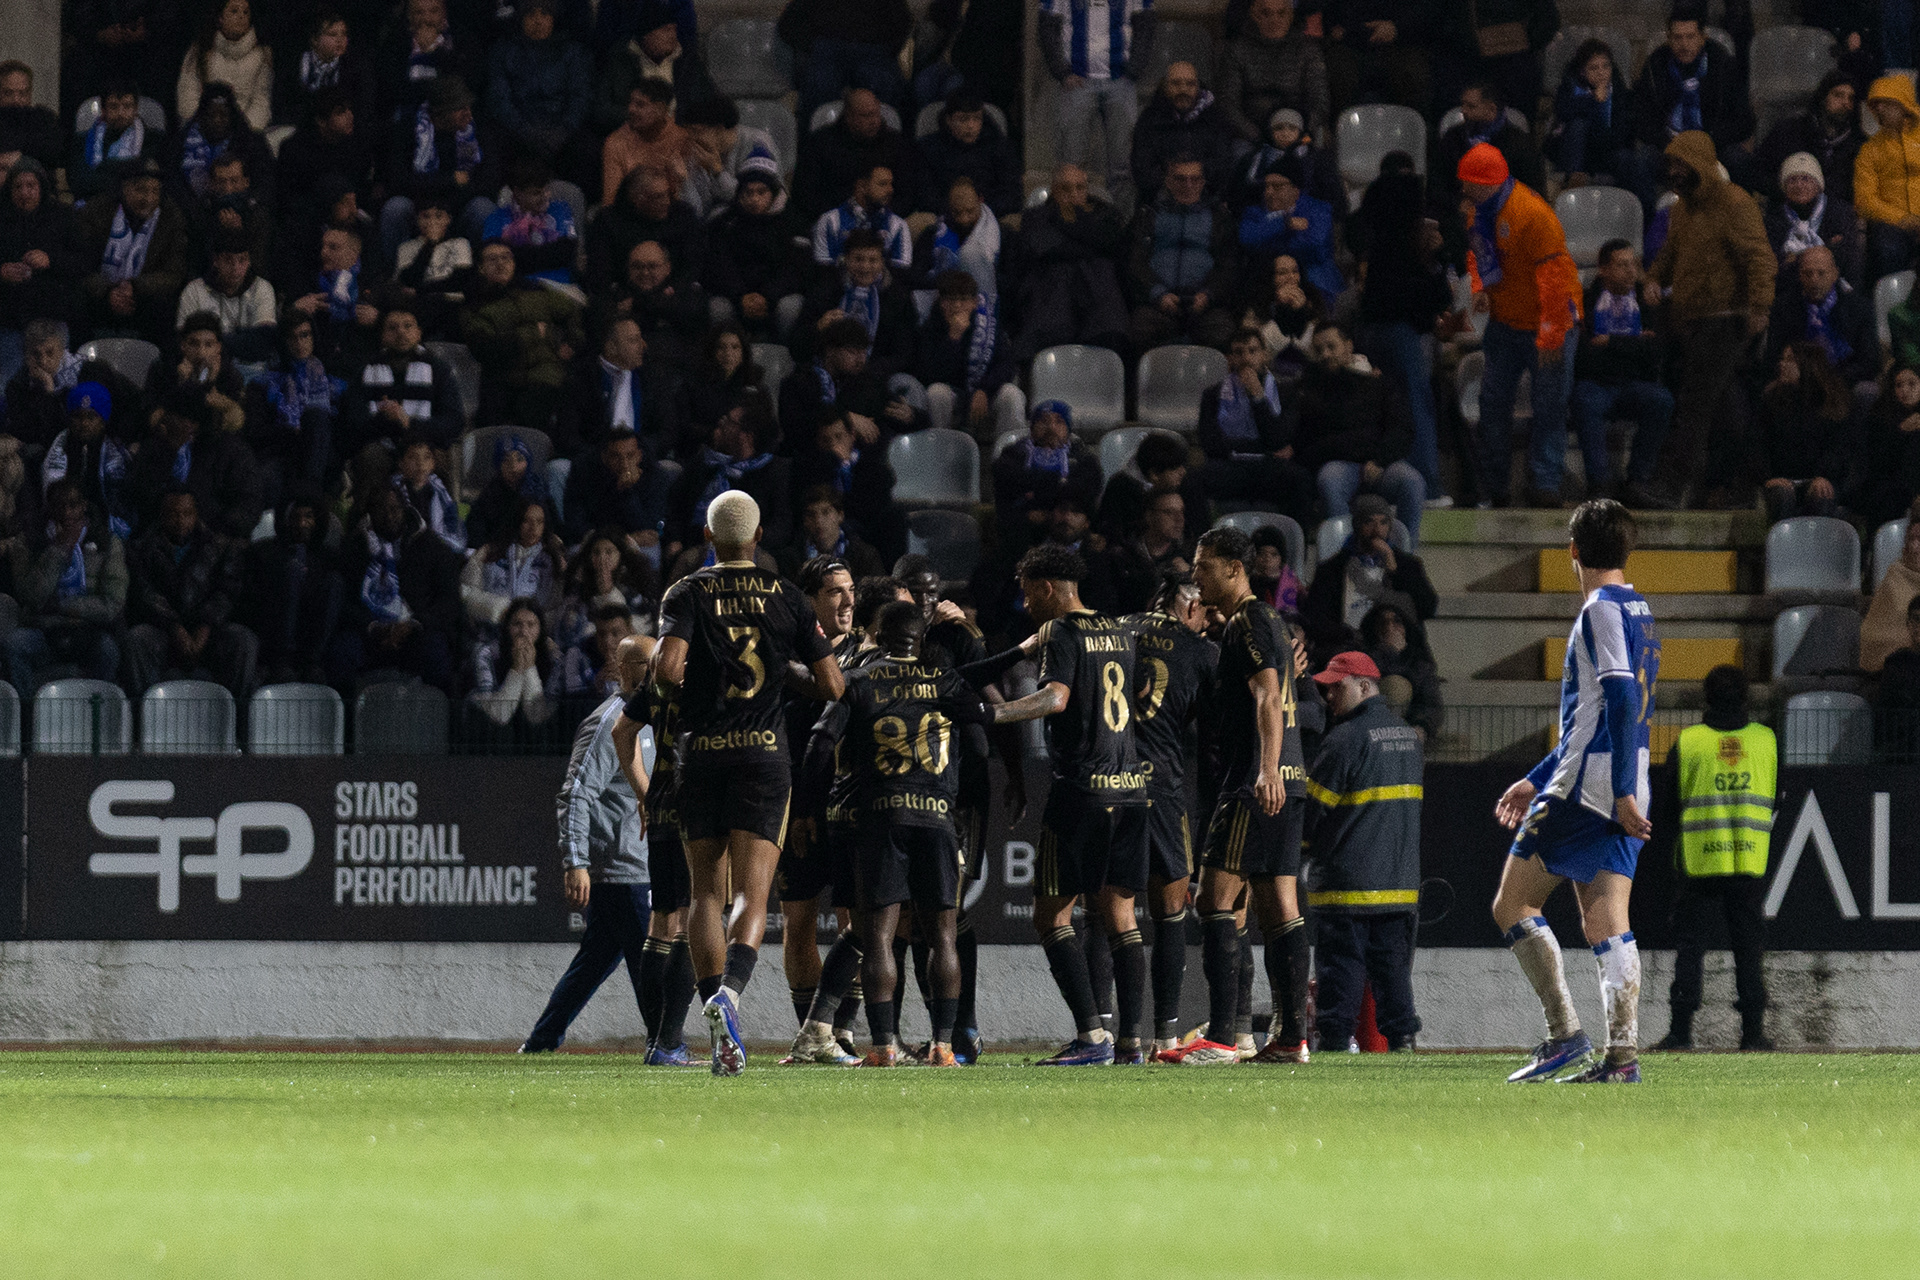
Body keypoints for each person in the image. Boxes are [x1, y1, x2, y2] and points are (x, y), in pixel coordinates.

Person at [651, 490, 844, 1075]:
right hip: (763, 756)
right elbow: (832, 684)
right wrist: (781, 675)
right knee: (751, 897)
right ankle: (728, 997)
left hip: (701, 756)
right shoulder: (786, 596)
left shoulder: (686, 591)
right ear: (758, 538)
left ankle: (716, 1024)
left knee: (704, 894)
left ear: (708, 538)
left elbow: (666, 670)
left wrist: (688, 684)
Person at [816, 600, 1033, 1065]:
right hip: (936, 819)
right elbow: (986, 719)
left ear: (880, 637)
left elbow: (821, 742)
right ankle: (942, 1045)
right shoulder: (945, 681)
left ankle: (883, 1046)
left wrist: (816, 805)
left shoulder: (860, 680)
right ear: (921, 640)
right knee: (943, 936)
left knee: (878, 936)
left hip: (880, 819)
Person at [1491, 499, 1659, 1084]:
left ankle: (1564, 1035)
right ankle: (1622, 1059)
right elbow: (1597, 716)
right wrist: (1536, 777)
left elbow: (1620, 700)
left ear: (1573, 551)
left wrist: (1616, 792)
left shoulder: (1599, 609)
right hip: (1626, 776)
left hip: (1591, 787)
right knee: (1607, 921)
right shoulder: (1640, 608)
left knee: (1512, 905)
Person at [986, 543, 1150, 1065]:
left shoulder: (1061, 631)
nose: (1026, 604)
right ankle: (1132, 1041)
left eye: (1028, 594)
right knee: (1121, 917)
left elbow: (1055, 698)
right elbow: (1139, 692)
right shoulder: (1120, 630)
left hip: (1082, 791)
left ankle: (1092, 1036)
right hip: (1131, 789)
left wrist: (996, 714)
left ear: (1047, 588)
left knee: (1051, 916)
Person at [1158, 525, 1312, 1065]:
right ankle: (1290, 1038)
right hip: (1289, 779)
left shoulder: (1248, 620)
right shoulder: (1266, 622)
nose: (1196, 575)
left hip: (1255, 782)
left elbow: (1267, 695)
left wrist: (1264, 771)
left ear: (1233, 568)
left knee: (1214, 900)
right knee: (1279, 905)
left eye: (1204, 565)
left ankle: (1224, 1037)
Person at [520, 634, 657, 1053]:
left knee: (593, 963)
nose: (663, 670)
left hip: (635, 864)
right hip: (621, 868)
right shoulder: (607, 724)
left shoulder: (653, 718)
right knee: (651, 960)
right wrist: (576, 861)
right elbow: (575, 795)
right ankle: (665, 1043)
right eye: (652, 664)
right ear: (627, 670)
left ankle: (541, 1041)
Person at [1635, 130, 1778, 510]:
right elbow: (1670, 253)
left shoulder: (1735, 203)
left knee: (1695, 406)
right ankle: (1749, 483)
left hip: (1725, 319)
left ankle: (1671, 486)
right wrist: (1653, 278)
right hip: (1695, 319)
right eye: (1671, 164)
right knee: (1727, 410)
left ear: (1700, 163)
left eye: (1681, 163)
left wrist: (1760, 307)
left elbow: (1759, 257)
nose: (1674, 171)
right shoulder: (1683, 208)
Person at [1652, 664, 1775, 1053]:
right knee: (1749, 949)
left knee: (1690, 949)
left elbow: (1667, 805)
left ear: (1706, 697)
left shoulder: (1689, 742)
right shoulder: (1766, 740)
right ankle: (1753, 1034)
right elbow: (1777, 797)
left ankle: (1680, 1033)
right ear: (1746, 697)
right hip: (1748, 862)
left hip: (1699, 863)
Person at [1304, 650, 1423, 1052]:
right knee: (1393, 974)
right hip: (1398, 885)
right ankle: (1403, 1043)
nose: (1328, 697)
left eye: (1336, 688)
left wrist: (1301, 853)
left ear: (1364, 686)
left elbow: (1313, 813)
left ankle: (1335, 1047)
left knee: (1340, 974)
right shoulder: (1408, 738)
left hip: (1345, 886)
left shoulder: (1344, 740)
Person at [1120, 573, 1217, 1056]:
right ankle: (1166, 1034)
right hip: (1161, 786)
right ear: (1190, 607)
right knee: (1170, 913)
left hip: (1110, 783)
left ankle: (1113, 1036)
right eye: (1205, 612)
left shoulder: (1116, 630)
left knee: (1110, 912)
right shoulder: (1200, 650)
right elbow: (1212, 721)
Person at [1459, 142, 1582, 509]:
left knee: (1549, 405)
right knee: (1492, 402)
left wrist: (1552, 337)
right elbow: (1477, 253)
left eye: (1467, 181)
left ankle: (1545, 484)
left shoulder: (1533, 214)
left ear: (1486, 183)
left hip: (1549, 322)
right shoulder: (1478, 211)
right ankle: (1494, 485)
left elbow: (1554, 279)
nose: (1462, 188)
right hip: (1506, 319)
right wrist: (1480, 287)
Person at [1352, 159, 1453, 502]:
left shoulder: (1377, 238)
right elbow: (1434, 297)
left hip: (1372, 330)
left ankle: (1394, 485)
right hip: (1400, 335)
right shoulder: (1406, 247)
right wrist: (1436, 259)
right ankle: (1427, 486)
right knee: (1415, 406)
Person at [124, 484, 256, 700]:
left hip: (209, 632)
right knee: (137, 640)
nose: (180, 521)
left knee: (243, 640)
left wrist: (205, 626)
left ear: (196, 515)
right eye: (173, 514)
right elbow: (146, 594)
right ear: (162, 516)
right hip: (164, 632)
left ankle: (238, 714)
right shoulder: (142, 548)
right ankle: (144, 714)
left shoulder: (220, 546)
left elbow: (227, 591)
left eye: (187, 514)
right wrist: (175, 628)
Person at [1297, 323, 1427, 540]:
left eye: (1331, 347)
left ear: (1348, 347)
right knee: (1329, 480)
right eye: (1319, 350)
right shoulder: (1311, 390)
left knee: (1412, 482)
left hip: (1381, 464)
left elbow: (1402, 429)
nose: (1325, 355)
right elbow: (1311, 440)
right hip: (1340, 465)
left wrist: (1379, 460)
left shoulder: (1378, 384)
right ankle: (1345, 550)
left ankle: (1402, 552)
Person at [329, 482, 462, 691]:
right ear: (370, 513)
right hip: (370, 632)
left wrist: (414, 624)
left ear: (405, 510)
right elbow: (343, 601)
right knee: (342, 653)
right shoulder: (355, 548)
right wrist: (373, 626)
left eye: (394, 509)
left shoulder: (433, 547)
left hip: (417, 632)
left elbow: (450, 601)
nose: (388, 515)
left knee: (436, 653)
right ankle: (345, 712)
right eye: (380, 509)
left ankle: (441, 712)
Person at [1572, 240, 1673, 501]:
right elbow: (1585, 355)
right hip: (1597, 382)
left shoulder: (1645, 302)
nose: (1631, 272)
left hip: (1635, 383)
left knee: (1661, 401)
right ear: (1603, 269)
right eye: (1622, 265)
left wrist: (1611, 342)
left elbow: (1656, 351)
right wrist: (1635, 342)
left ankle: (1638, 480)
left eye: (1633, 265)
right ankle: (1599, 483)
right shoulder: (1587, 301)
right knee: (1585, 400)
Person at [7, 477, 126, 698]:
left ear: (84, 506)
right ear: (49, 508)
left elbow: (113, 603)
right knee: (14, 645)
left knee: (108, 650)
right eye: (59, 505)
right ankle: (29, 712)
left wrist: (65, 606)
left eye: (73, 505)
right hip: (45, 629)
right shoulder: (30, 541)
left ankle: (96, 711)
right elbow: (29, 595)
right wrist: (59, 550)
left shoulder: (107, 542)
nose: (67, 512)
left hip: (89, 630)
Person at [1038, 0, 1153, 209]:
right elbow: (1047, 24)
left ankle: (1121, 221)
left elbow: (1145, 23)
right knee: (1071, 162)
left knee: (1123, 164)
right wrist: (1062, 72)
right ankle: (1070, 221)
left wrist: (1134, 70)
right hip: (1077, 81)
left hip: (1120, 81)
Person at [1008, 165, 1131, 358]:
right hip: (1051, 296)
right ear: (1054, 190)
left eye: (1080, 187)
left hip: (1097, 297)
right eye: (1065, 188)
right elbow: (1045, 248)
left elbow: (1112, 244)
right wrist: (1092, 245)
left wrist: (1074, 231)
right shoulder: (1036, 217)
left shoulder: (1106, 215)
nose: (1073, 194)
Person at [1197, 327, 1315, 523]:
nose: (1246, 358)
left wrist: (1258, 397)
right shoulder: (1212, 394)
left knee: (1300, 479)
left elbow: (1278, 439)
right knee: (1193, 480)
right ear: (1229, 358)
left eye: (1252, 351)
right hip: (1231, 465)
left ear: (1264, 355)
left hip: (1268, 467)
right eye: (1239, 352)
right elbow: (1210, 444)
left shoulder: (1286, 391)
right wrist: (1261, 448)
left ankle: (1297, 540)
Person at [1631, 8, 1755, 189]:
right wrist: (1669, 143)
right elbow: (1642, 118)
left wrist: (1708, 141)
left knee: (1738, 160)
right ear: (1669, 38)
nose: (1684, 44)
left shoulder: (1723, 64)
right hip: (1669, 144)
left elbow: (1745, 121)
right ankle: (1649, 208)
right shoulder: (1654, 66)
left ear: (1702, 38)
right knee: (1643, 160)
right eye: (1677, 38)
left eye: (1690, 37)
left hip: (1712, 143)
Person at [379, 75, 499, 264]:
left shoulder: (476, 133)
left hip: (459, 208)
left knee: (483, 208)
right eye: (460, 109)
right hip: (419, 208)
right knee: (395, 208)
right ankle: (394, 273)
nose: (468, 114)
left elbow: (488, 181)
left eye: (469, 107)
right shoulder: (407, 130)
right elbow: (398, 180)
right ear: (440, 113)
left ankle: (478, 270)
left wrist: (445, 212)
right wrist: (450, 181)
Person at [1301, 492, 1438, 655]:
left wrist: (1396, 572)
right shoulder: (1332, 568)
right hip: (1347, 648)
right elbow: (1315, 618)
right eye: (1369, 522)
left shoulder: (1407, 565)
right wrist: (1349, 637)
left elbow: (1428, 608)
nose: (1377, 530)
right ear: (1357, 525)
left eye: (1383, 523)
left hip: (1396, 650)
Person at [1127, 156, 1240, 351]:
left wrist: (1208, 295)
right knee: (1140, 329)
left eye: (1194, 179)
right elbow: (1135, 261)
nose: (1188, 185)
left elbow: (1229, 264)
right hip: (1159, 303)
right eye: (1180, 179)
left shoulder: (1219, 218)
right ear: (1168, 181)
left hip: (1204, 304)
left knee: (1222, 331)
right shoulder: (1149, 215)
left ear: (1202, 182)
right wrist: (1158, 294)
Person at [78, 159, 191, 347]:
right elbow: (82, 265)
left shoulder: (171, 217)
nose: (148, 199)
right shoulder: (97, 211)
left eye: (154, 191)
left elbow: (174, 273)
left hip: (143, 296)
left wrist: (135, 287)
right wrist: (108, 291)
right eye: (141, 190)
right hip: (102, 295)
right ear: (124, 188)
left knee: (164, 306)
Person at [486, 0, 592, 185]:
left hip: (560, 128)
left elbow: (580, 96)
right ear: (521, 18)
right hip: (518, 129)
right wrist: (524, 131)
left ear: (553, 18)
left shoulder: (572, 52)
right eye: (530, 14)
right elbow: (500, 98)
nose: (538, 21)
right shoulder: (503, 51)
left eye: (544, 14)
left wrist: (564, 130)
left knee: (587, 150)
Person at [907, 269, 1023, 438]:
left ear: (974, 302)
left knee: (1012, 394)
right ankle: (939, 448)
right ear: (941, 302)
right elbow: (929, 374)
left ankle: (1010, 450)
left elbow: (1006, 364)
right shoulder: (930, 328)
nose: (957, 306)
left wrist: (984, 389)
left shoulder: (988, 324)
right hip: (955, 395)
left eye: (963, 300)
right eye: (950, 300)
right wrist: (953, 339)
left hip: (985, 393)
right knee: (936, 393)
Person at [247, 491, 341, 685]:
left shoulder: (329, 558)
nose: (301, 524)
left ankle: (312, 662)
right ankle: (283, 661)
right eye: (295, 517)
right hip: (275, 633)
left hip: (311, 636)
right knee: (291, 570)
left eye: (308, 516)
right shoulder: (264, 552)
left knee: (335, 582)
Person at [704, 159, 805, 340]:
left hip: (775, 298)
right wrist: (740, 296)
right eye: (748, 192)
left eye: (761, 192)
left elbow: (797, 269)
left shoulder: (792, 222)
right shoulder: (724, 223)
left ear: (773, 193)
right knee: (717, 308)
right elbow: (718, 266)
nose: (754, 199)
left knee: (791, 307)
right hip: (736, 298)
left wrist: (768, 296)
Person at [1756, 342, 1857, 523]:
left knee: (1822, 495)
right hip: (1783, 479)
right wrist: (1768, 477)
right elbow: (1757, 443)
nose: (1782, 364)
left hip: (1819, 478)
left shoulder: (1832, 401)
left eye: (1790, 360)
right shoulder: (1772, 399)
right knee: (1781, 496)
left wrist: (1824, 476)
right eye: (1782, 359)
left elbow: (1840, 447)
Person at [0, 158, 78, 388]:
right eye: (18, 186)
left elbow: (82, 262)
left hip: (51, 317)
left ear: (41, 187)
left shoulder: (63, 216)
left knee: (57, 384)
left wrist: (50, 260)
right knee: (6, 386)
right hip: (10, 320)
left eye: (31, 186)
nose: (24, 193)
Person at [1544, 40, 1648, 207]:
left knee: (1628, 160)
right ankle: (1573, 187)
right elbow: (1564, 114)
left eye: (1605, 66)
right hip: (1577, 153)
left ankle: (1636, 209)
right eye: (1594, 68)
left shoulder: (1620, 93)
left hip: (1608, 150)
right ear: (1583, 71)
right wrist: (1593, 101)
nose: (1601, 73)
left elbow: (1623, 132)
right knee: (1579, 124)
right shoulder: (1570, 89)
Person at [792, 88, 918, 225]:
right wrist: (843, 217)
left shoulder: (895, 144)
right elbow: (806, 194)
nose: (874, 121)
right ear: (849, 117)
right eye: (866, 116)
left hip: (886, 221)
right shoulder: (821, 144)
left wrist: (880, 216)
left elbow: (907, 193)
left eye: (876, 113)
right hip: (833, 222)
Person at [992, 400, 1103, 555]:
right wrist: (1058, 485)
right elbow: (1007, 494)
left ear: (1068, 430)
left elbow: (1084, 494)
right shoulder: (1012, 456)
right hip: (1023, 533)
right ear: (1032, 428)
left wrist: (1040, 497)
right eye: (1043, 421)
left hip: (1068, 530)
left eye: (1059, 422)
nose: (1051, 428)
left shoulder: (1084, 459)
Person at [778, 0, 913, 121]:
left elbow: (903, 20)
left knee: (884, 83)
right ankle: (818, 138)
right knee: (819, 84)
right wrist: (811, 46)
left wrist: (887, 49)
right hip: (828, 49)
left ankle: (888, 139)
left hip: (871, 50)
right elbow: (789, 22)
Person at [1218, 0, 1328, 147]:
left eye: (1281, 13)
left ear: (1290, 16)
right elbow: (1228, 104)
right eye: (1266, 13)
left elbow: (1320, 102)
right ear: (1254, 15)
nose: (1274, 20)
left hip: (1298, 133)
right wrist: (1259, 137)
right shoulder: (1236, 51)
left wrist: (1297, 131)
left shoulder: (1308, 50)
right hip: (1251, 138)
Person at [1130, 61, 1240, 204]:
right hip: (1161, 198)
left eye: (1190, 84)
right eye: (1176, 84)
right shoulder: (1150, 119)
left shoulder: (1215, 119)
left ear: (1198, 87)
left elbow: (1223, 162)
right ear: (1165, 86)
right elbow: (1142, 166)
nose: (1183, 90)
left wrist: (1195, 177)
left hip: (1206, 197)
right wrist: (1174, 178)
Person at [1237, 152, 1342, 300]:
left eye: (1277, 186)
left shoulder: (1318, 210)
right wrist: (1285, 223)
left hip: (1315, 282)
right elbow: (1246, 238)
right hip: (1267, 283)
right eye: (1266, 186)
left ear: (1295, 190)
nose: (1269, 192)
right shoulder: (1254, 212)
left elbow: (1313, 245)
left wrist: (1266, 241)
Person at [1435, 81, 1546, 208]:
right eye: (1463, 105)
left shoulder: (1519, 144)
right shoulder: (1453, 138)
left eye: (1471, 107)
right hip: (1458, 213)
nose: (1464, 111)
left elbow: (1534, 191)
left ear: (1491, 109)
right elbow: (1437, 185)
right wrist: (1458, 203)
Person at [1758, 72, 1861, 205]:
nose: (1845, 103)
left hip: (1836, 212)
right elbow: (1760, 172)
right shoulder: (1789, 130)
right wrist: (1789, 190)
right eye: (1838, 95)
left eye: (1851, 98)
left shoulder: (1857, 143)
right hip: (1788, 207)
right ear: (1823, 98)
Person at [1766, 152, 1865, 290]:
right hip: (1787, 290)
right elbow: (1773, 263)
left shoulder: (1839, 212)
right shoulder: (1774, 217)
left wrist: (1795, 258)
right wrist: (1827, 248)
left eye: (1805, 179)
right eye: (1792, 180)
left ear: (1818, 184)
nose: (1799, 185)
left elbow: (1848, 258)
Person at [175, 230, 277, 364]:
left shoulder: (261, 288)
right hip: (204, 364)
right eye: (228, 260)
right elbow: (186, 341)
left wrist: (212, 342)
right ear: (216, 261)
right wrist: (242, 339)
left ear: (249, 262)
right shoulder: (194, 290)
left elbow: (262, 342)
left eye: (242, 260)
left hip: (252, 368)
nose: (235, 268)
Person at [916, 89, 1020, 219]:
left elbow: (1011, 193)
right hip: (944, 217)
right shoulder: (929, 148)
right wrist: (958, 210)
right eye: (963, 119)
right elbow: (925, 194)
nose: (971, 125)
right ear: (949, 120)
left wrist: (977, 210)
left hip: (992, 216)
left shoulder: (999, 146)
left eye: (976, 118)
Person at [1322, 0, 1431, 115]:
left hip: (1401, 42)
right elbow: (1333, 15)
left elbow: (1427, 11)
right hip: (1350, 42)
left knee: (1412, 73)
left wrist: (1397, 27)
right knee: (1337, 73)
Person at [177, 0, 273, 132]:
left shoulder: (262, 56)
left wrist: (244, 132)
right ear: (220, 18)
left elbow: (261, 103)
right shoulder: (200, 50)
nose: (241, 16)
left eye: (246, 12)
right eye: (234, 11)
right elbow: (187, 95)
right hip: (203, 129)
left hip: (244, 133)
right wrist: (206, 126)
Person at [912, 177, 1003, 311]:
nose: (964, 219)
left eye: (970, 211)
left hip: (985, 307)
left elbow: (1009, 281)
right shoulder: (933, 234)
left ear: (980, 200)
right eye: (957, 212)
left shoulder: (1001, 236)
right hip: (942, 304)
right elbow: (915, 277)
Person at [1359, 596, 1442, 739]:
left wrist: (1422, 726)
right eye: (1382, 622)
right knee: (1394, 685)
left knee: (1398, 686)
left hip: (1408, 729)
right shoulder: (1363, 656)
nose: (1389, 628)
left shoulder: (1419, 663)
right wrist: (1389, 652)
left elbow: (1431, 703)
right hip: (1370, 729)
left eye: (1396, 621)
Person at [66, 82, 160, 204]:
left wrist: (103, 169)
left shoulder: (153, 140)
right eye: (113, 107)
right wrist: (127, 170)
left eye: (127, 106)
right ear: (103, 110)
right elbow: (78, 182)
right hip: (93, 206)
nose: (120, 113)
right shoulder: (83, 141)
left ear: (136, 109)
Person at [811, 161, 911, 275]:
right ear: (862, 186)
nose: (890, 190)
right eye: (883, 184)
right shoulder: (829, 221)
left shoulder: (898, 225)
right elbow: (823, 271)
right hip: (837, 284)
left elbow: (900, 274)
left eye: (891, 184)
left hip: (882, 285)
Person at [602, 79, 688, 206]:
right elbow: (610, 201)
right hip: (632, 213)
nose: (631, 109)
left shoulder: (682, 137)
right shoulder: (616, 142)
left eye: (640, 105)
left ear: (661, 109)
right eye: (630, 103)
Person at [1864, 514, 1920, 672]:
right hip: (1900, 669)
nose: (1914, 547)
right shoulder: (1894, 577)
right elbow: (1875, 635)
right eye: (1911, 539)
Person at [0, 61, 63, 173]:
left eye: (22, 93)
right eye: (8, 93)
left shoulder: (44, 119)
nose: (16, 100)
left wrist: (20, 157)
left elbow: (55, 153)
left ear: (30, 93)